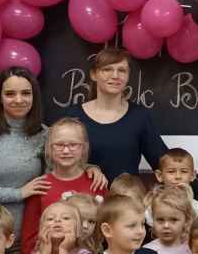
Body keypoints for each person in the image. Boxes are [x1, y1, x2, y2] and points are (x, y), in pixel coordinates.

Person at [0, 68, 106, 254]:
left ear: (35, 97)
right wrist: (18, 193)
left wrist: (90, 167)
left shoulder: (44, 134)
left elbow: (60, 165)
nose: (18, 100)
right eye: (10, 94)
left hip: (23, 235)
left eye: (26, 93)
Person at [65, 48, 167, 182]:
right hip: (83, 199)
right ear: (93, 74)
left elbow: (163, 160)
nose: (115, 75)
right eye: (107, 69)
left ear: (128, 75)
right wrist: (86, 167)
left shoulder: (139, 116)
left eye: (122, 70)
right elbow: (57, 162)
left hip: (125, 199)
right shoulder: (73, 116)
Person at [20, 118, 107, 254]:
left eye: (73, 145)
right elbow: (29, 238)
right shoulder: (40, 186)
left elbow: (109, 229)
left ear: (84, 148)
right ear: (49, 148)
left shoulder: (96, 183)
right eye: (59, 145)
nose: (66, 150)